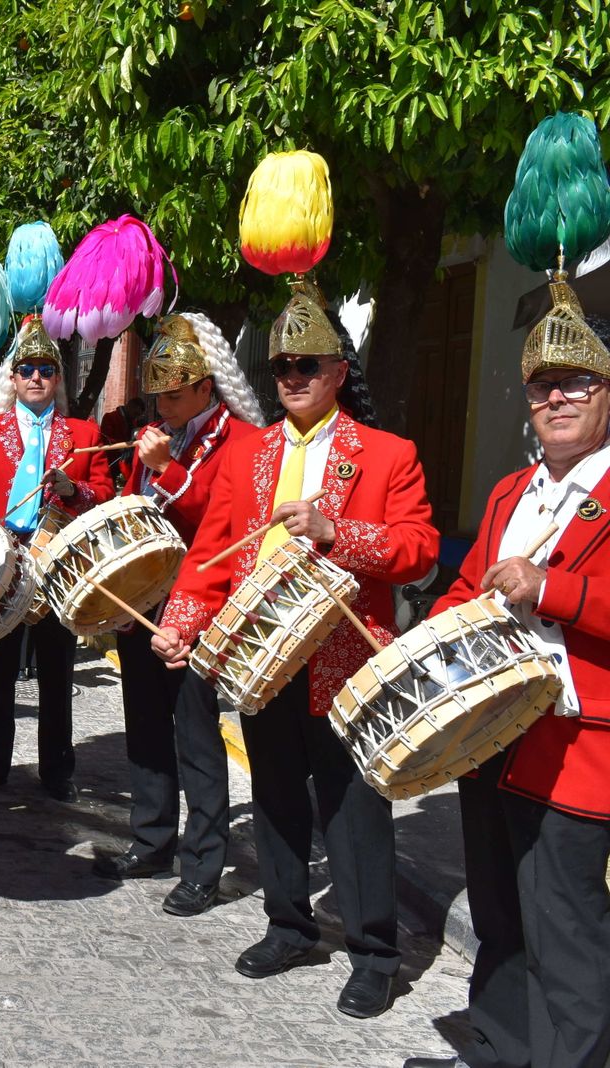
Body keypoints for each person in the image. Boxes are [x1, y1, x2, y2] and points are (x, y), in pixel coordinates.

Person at [154, 285, 438, 1018]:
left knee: (352, 809)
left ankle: (376, 953)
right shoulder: (247, 454)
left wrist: (335, 530)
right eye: (281, 365)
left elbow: (418, 549)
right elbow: (212, 553)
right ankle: (289, 925)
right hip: (260, 657)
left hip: (344, 660)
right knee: (276, 798)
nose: (292, 376)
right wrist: (182, 623)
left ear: (340, 370)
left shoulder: (388, 454)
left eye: (308, 364)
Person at [402, 304, 610, 1068]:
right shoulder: (507, 491)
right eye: (542, 386)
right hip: (490, 734)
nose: (557, 398)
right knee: (498, 915)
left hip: (576, 751)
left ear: (608, 392)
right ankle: (495, 1049)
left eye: (577, 383)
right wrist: (422, 643)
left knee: (565, 930)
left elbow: (549, 591)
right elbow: (468, 585)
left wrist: (549, 588)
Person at [96, 312, 264, 917]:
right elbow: (138, 509)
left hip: (203, 611)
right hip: (146, 602)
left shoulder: (243, 443)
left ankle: (203, 863)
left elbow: (215, 524)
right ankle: (151, 838)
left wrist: (167, 468)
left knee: (196, 737)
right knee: (145, 727)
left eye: (173, 395)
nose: (162, 406)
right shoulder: (155, 435)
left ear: (205, 387)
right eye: (157, 396)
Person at [0, 316, 114, 801]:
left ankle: (57, 770)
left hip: (58, 564)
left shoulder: (84, 431)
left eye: (45, 369)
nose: (35, 377)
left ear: (58, 378)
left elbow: (106, 496)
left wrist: (75, 489)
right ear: (12, 377)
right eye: (26, 368)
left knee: (56, 669)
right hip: (2, 568)